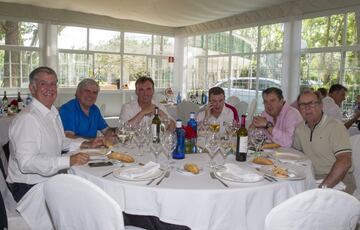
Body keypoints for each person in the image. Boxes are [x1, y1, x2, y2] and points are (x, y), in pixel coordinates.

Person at [6, 67, 103, 202]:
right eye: (43, 84)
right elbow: (27, 163)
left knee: (93, 192)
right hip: (29, 188)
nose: (50, 88)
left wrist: (86, 144)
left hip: (49, 179)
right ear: (32, 88)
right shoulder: (27, 119)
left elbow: (61, 142)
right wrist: (69, 160)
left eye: (53, 84)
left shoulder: (51, 112)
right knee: (88, 200)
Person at [293, 90, 354, 193]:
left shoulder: (335, 126)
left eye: (311, 103)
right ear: (299, 109)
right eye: (303, 105)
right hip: (312, 178)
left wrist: (322, 189)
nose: (307, 108)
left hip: (338, 180)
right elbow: (297, 155)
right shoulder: (300, 129)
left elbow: (345, 162)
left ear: (321, 105)